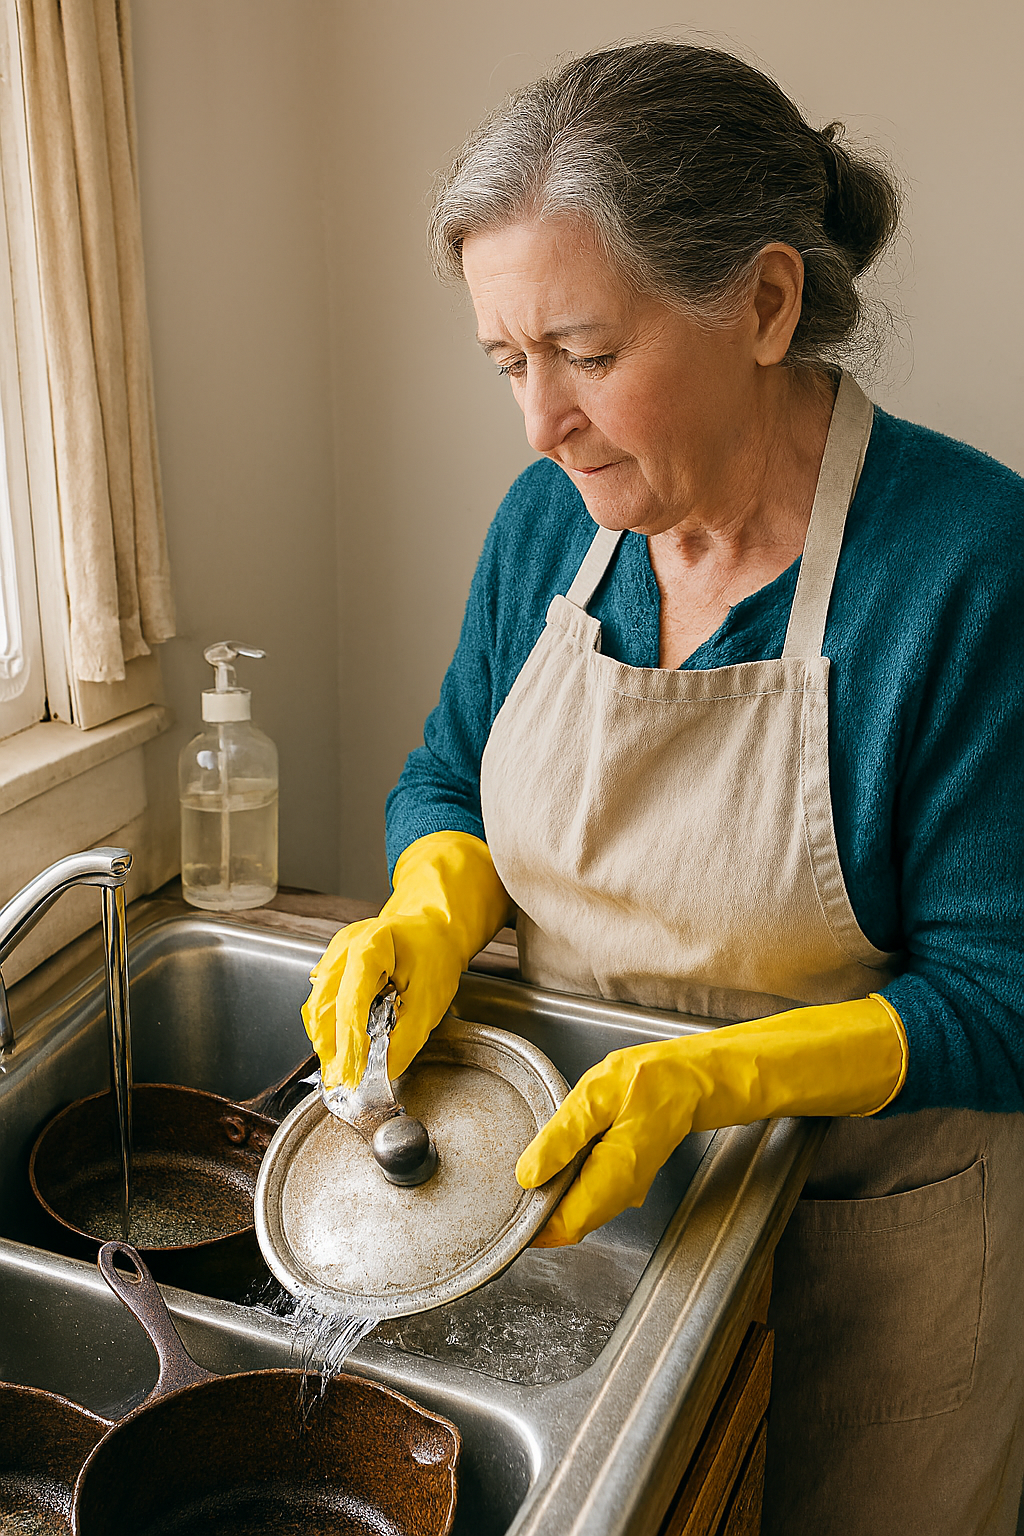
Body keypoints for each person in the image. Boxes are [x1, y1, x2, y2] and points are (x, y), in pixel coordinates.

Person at [303, 41, 1024, 1535]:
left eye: (586, 353)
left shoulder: (966, 567)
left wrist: (711, 1079)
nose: (538, 424)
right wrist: (434, 907)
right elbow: (450, 776)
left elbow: (1006, 995)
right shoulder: (545, 528)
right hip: (582, 1216)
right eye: (510, 363)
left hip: (856, 1248)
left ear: (765, 304)